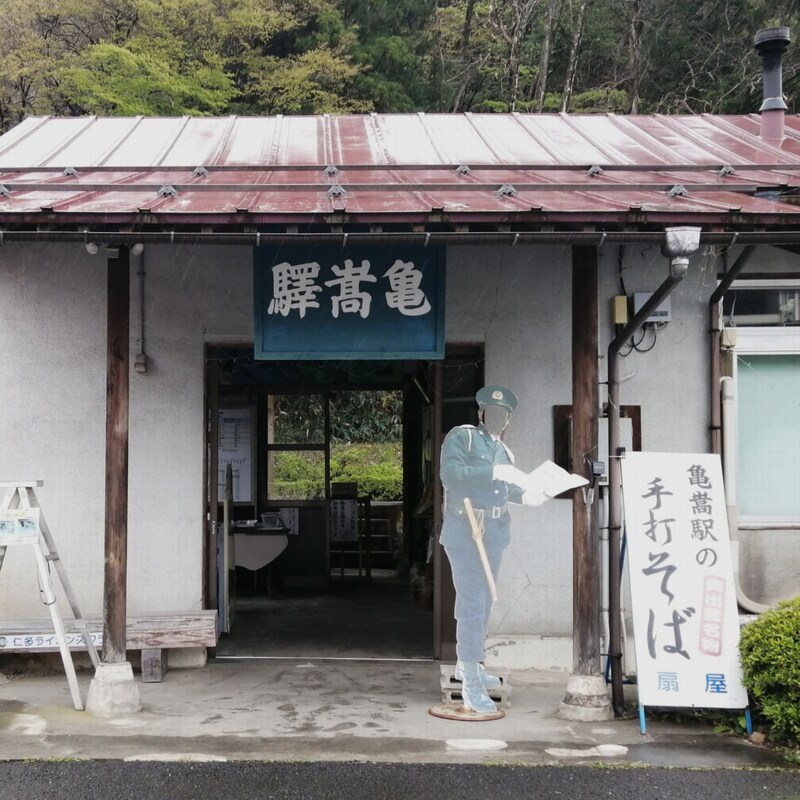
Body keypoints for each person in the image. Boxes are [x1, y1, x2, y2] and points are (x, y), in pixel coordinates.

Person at [439, 385, 544, 713]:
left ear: (509, 419)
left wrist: (527, 496)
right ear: (481, 413)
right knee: (472, 603)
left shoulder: (505, 452)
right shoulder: (463, 437)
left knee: (483, 603)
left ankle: (469, 664)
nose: (498, 418)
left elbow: (505, 489)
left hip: (494, 534)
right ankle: (470, 682)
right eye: (492, 411)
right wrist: (493, 471)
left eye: (504, 414)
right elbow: (451, 476)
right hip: (466, 530)